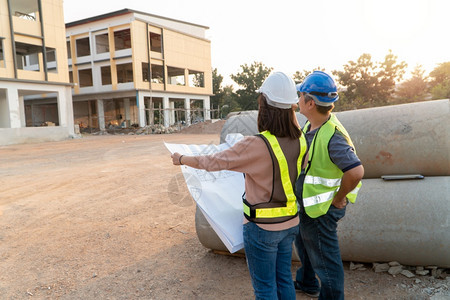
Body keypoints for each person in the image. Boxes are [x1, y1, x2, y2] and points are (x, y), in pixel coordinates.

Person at [171, 72, 308, 300]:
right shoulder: (301, 139)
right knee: (283, 279)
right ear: (291, 107)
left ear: (264, 106)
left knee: (265, 289)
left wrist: (182, 159)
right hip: (291, 222)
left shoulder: (256, 144)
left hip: (262, 228)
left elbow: (213, 161)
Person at [293, 71, 364, 300]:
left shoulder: (333, 136)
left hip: (322, 209)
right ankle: (307, 281)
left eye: (300, 95)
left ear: (310, 103)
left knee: (325, 259)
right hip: (309, 206)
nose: (297, 98)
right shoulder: (313, 125)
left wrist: (339, 197)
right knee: (305, 245)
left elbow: (356, 172)